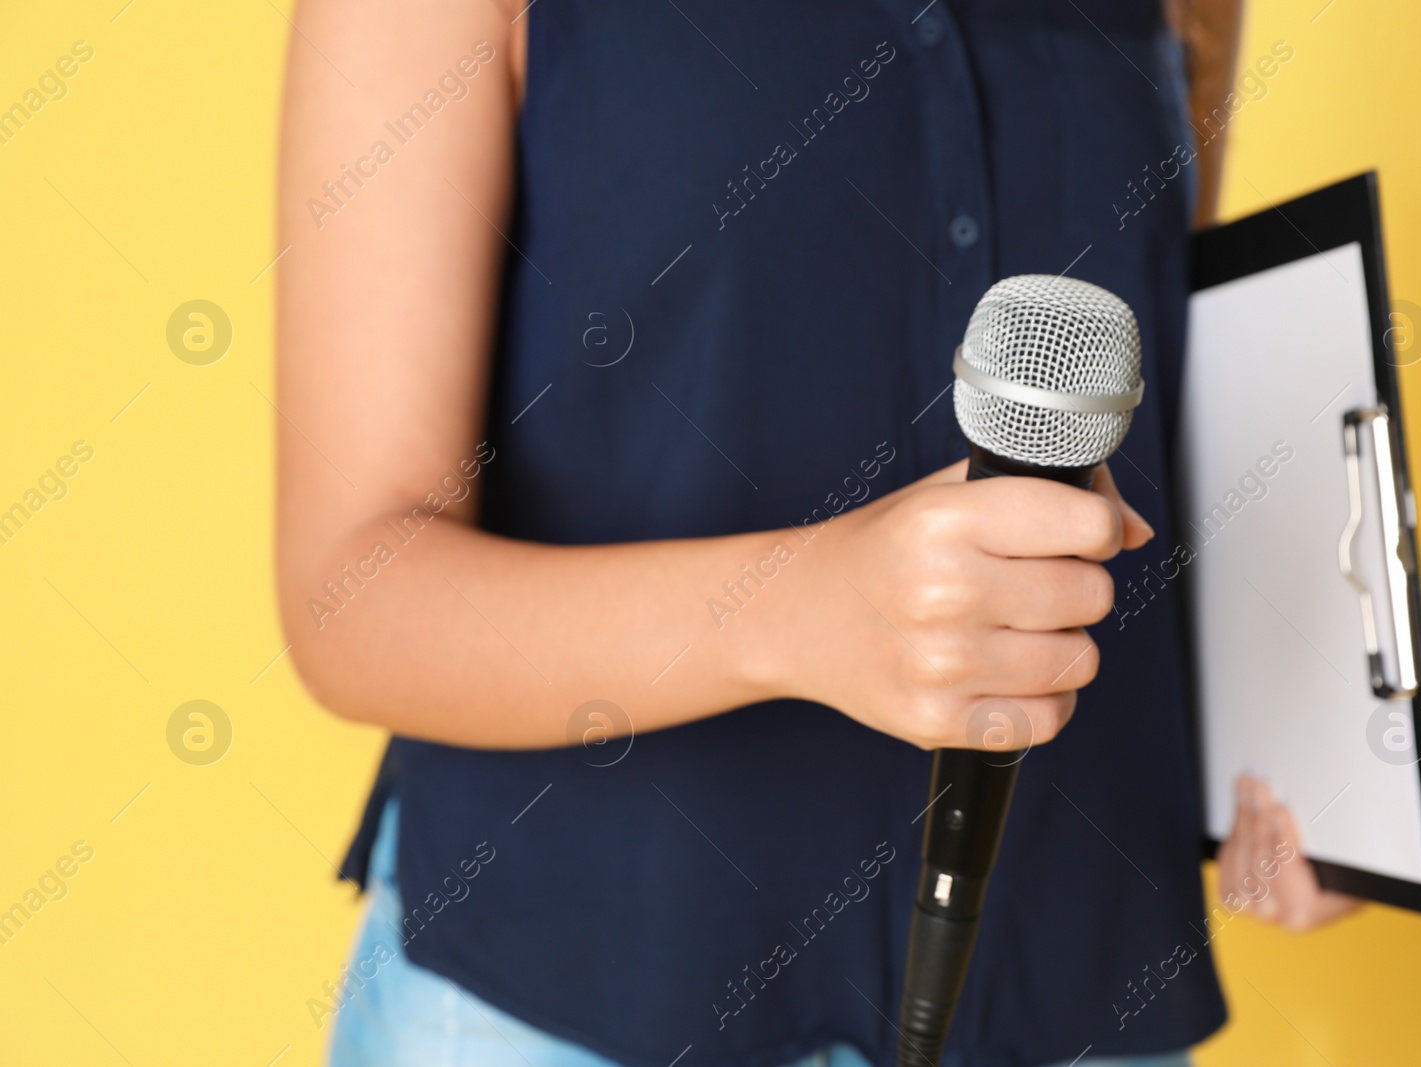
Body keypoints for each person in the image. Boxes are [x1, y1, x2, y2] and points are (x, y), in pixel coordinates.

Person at [275, 1, 1357, 1064]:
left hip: (1062, 984)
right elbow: (352, 591)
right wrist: (795, 607)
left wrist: (1319, 754)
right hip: (569, 993)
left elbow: (1129, 398)